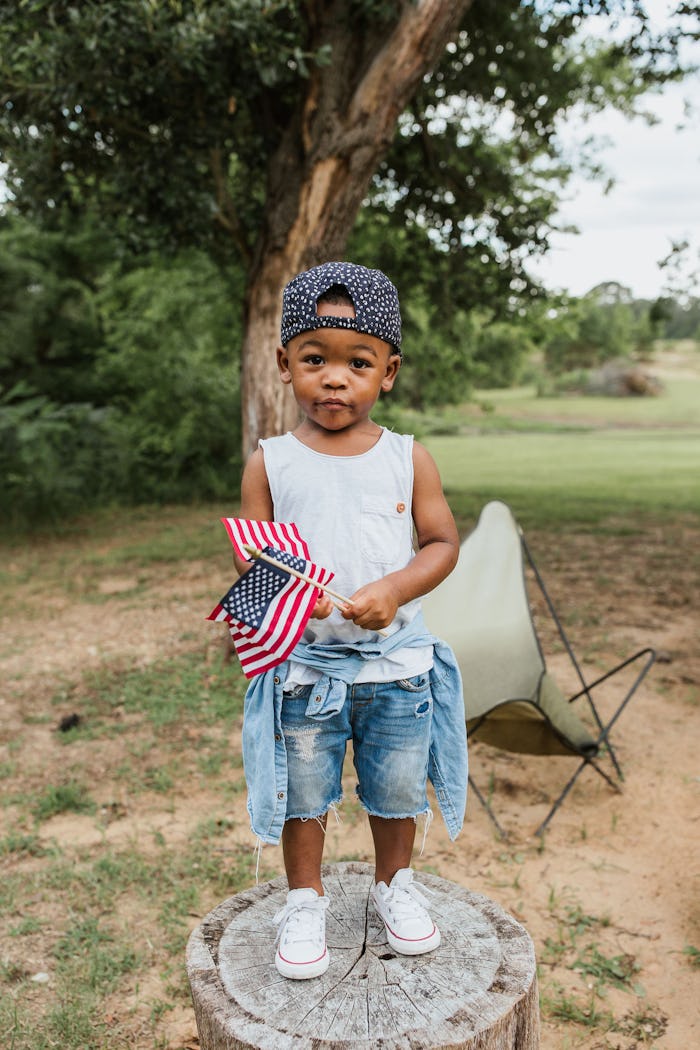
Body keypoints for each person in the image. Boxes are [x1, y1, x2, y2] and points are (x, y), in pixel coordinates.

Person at [235, 261, 467, 980]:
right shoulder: (270, 463)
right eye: (315, 360)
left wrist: (396, 588)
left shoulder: (408, 459)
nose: (335, 378)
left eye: (357, 363)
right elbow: (255, 559)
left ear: (387, 372)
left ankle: (394, 884)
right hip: (307, 669)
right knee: (303, 790)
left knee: (397, 787)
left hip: (396, 668)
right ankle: (303, 898)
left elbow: (443, 543)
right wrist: (282, 587)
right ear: (284, 365)